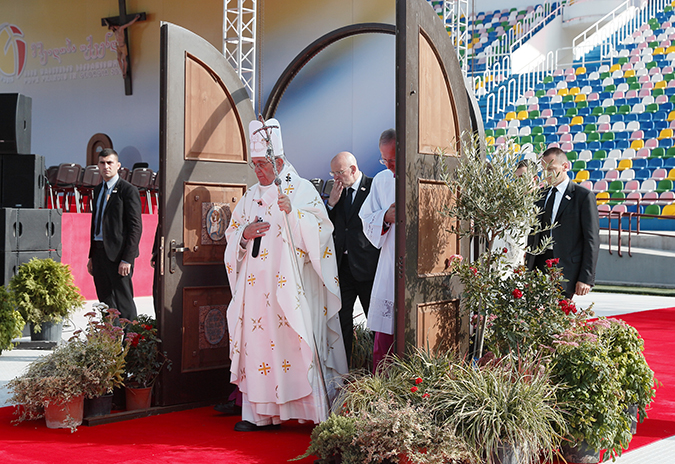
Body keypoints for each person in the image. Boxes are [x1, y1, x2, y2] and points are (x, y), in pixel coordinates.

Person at [223, 118, 348, 432]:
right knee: (258, 346)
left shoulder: (300, 188)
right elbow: (233, 232)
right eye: (254, 165)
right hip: (255, 291)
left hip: (290, 288)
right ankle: (259, 415)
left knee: (295, 343)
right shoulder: (250, 195)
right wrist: (243, 234)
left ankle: (314, 413)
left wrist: (294, 214)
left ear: (278, 161)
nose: (258, 171)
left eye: (263, 164)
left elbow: (322, 233)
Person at [326, 151, 380, 366]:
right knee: (342, 323)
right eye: (333, 174)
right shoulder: (336, 192)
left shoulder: (373, 186)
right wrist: (331, 204)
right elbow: (327, 227)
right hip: (344, 269)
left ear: (353, 169)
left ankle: (382, 371)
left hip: (368, 268)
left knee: (375, 322)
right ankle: (344, 370)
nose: (336, 178)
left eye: (339, 173)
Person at [526, 147, 599, 298]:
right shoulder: (540, 195)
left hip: (565, 268)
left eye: (551, 169)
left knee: (558, 315)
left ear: (565, 166)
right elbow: (534, 233)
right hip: (539, 265)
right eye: (544, 170)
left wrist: (586, 278)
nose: (547, 174)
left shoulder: (583, 197)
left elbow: (591, 240)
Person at [87, 148, 142, 321]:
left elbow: (135, 227)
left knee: (124, 302)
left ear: (118, 165)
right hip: (99, 253)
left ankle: (132, 342)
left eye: (110, 163)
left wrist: (127, 258)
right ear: (98, 166)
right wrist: (91, 257)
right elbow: (96, 223)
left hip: (119, 256)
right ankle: (111, 340)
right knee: (105, 302)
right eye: (102, 163)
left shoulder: (128, 190)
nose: (106, 166)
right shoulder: (97, 190)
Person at [359, 129, 396, 372]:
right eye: (385, 160)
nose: (389, 165)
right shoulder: (382, 181)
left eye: (392, 159)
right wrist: (385, 216)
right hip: (390, 262)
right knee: (385, 335)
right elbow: (366, 217)